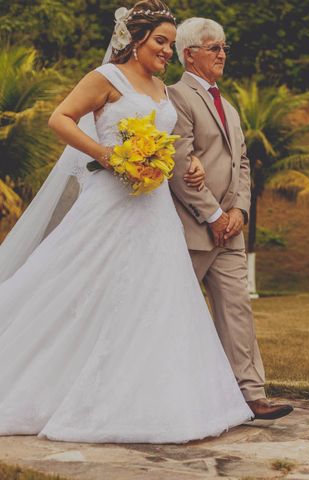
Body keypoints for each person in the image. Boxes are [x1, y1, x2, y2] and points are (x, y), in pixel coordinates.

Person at [0, 0, 253, 443]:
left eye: (172, 45)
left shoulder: (161, 88)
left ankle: (152, 397)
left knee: (156, 299)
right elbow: (59, 118)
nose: (166, 51)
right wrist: (107, 154)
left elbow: (172, 142)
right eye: (160, 41)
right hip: (109, 205)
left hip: (155, 210)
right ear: (134, 40)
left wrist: (189, 163)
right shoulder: (106, 78)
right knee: (80, 290)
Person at [168, 18, 293, 420]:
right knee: (173, 315)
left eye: (224, 47)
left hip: (230, 232)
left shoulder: (231, 107)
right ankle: (174, 394)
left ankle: (252, 394)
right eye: (213, 47)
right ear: (189, 54)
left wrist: (238, 211)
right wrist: (214, 214)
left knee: (238, 308)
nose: (223, 54)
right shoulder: (175, 98)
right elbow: (177, 165)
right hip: (189, 229)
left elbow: (242, 163)